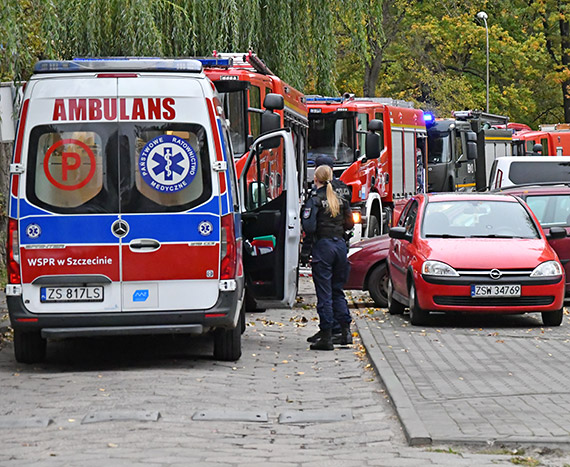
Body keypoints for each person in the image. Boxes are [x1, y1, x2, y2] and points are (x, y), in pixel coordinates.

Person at [301, 165, 354, 350]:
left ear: (316, 179)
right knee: (337, 291)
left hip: (324, 247)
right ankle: (345, 332)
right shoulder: (340, 199)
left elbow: (308, 227)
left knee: (325, 294)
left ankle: (326, 336)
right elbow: (349, 222)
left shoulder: (315, 200)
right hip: (340, 246)